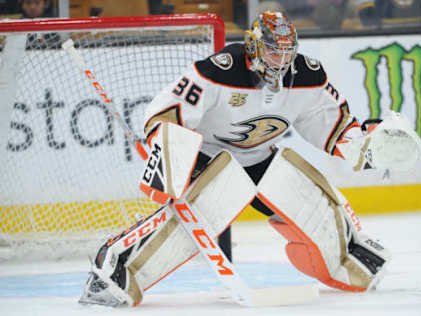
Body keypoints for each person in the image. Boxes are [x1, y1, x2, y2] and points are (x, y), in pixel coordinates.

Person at [79, 11, 401, 307]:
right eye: (274, 51)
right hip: (210, 160)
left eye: (288, 52)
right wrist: (168, 148)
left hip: (260, 159)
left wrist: (364, 143)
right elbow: (166, 111)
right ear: (254, 47)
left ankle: (348, 262)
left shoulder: (307, 75)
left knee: (313, 204)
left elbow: (332, 125)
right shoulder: (220, 70)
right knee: (188, 227)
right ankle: (113, 270)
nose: (282, 60)